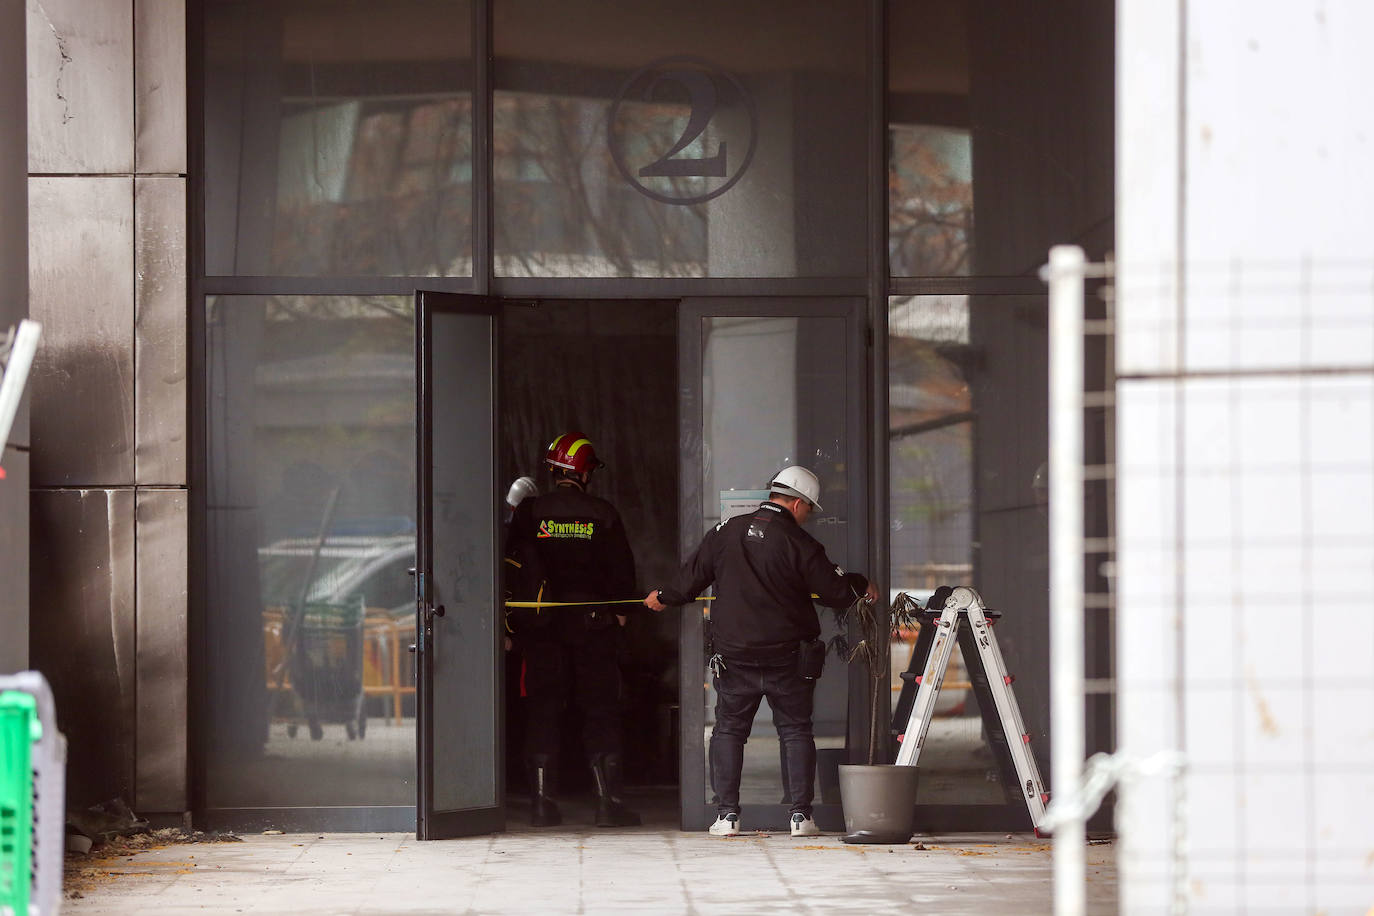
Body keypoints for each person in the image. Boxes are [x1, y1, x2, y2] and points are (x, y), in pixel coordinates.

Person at [643, 465, 880, 838]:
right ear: (798, 503)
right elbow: (835, 592)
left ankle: (726, 816)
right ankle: (801, 816)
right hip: (789, 657)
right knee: (796, 731)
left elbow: (692, 577)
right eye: (809, 510)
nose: (808, 517)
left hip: (735, 654)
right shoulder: (800, 544)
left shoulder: (726, 532)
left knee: (729, 731)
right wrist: (861, 584)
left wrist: (663, 596)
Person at [504, 431, 641, 828]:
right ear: (585, 473)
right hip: (593, 630)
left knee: (542, 711)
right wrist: (619, 615)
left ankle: (541, 805)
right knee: (600, 711)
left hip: (541, 632)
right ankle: (606, 803)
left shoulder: (530, 514)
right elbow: (622, 577)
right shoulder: (603, 513)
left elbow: (510, 566)